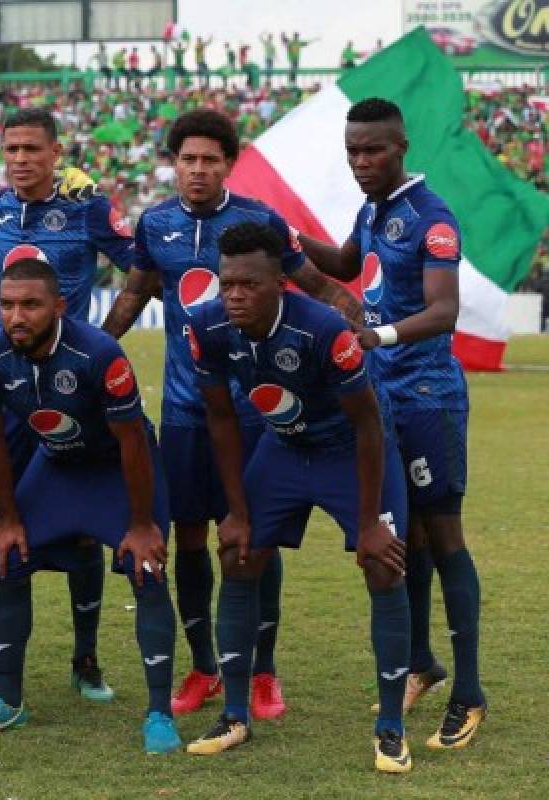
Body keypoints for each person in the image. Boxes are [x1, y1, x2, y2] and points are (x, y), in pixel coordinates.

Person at [102, 109, 362, 720]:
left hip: (257, 413)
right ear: (174, 163)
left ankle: (263, 672)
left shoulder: (259, 222)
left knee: (254, 539)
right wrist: (97, 352)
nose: (198, 169)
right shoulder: (156, 224)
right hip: (188, 411)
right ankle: (203, 668)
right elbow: (135, 294)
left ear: (228, 163)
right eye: (187, 159)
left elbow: (318, 287)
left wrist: (361, 323)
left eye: (210, 160)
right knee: (189, 536)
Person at [186, 221, 412, 773]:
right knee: (238, 556)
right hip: (283, 449)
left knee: (383, 565)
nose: (234, 295)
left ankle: (390, 728)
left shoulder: (322, 330)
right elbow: (220, 418)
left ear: (280, 283)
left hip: (348, 450)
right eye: (226, 283)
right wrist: (236, 512)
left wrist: (367, 524)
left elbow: (367, 425)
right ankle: (236, 715)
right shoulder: (208, 326)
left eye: (249, 285)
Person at [298, 97, 486, 750]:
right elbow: (347, 266)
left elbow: (443, 311)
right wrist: (290, 240)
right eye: (352, 152)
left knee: (445, 537)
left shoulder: (433, 219)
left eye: (371, 150)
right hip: (383, 403)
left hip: (428, 400)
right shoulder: (372, 210)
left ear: (400, 145)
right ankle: (422, 662)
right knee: (401, 537)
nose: (360, 162)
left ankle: (469, 692)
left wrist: (375, 336)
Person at [0, 108, 136, 701]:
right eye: (11, 148)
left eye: (31, 149)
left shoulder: (88, 208)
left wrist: (104, 347)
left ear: (55, 152)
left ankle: (87, 661)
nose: (20, 159)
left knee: (78, 528)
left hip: (75, 392)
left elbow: (137, 271)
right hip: (9, 391)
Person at [0, 259, 179, 753]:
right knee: (6, 557)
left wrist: (142, 524)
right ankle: (8, 703)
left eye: (31, 305)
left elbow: (133, 445)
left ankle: (159, 712)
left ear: (58, 307)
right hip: (56, 465)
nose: (17, 316)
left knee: (146, 568)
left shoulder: (99, 354)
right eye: (8, 305)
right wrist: (8, 518)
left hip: (118, 471)